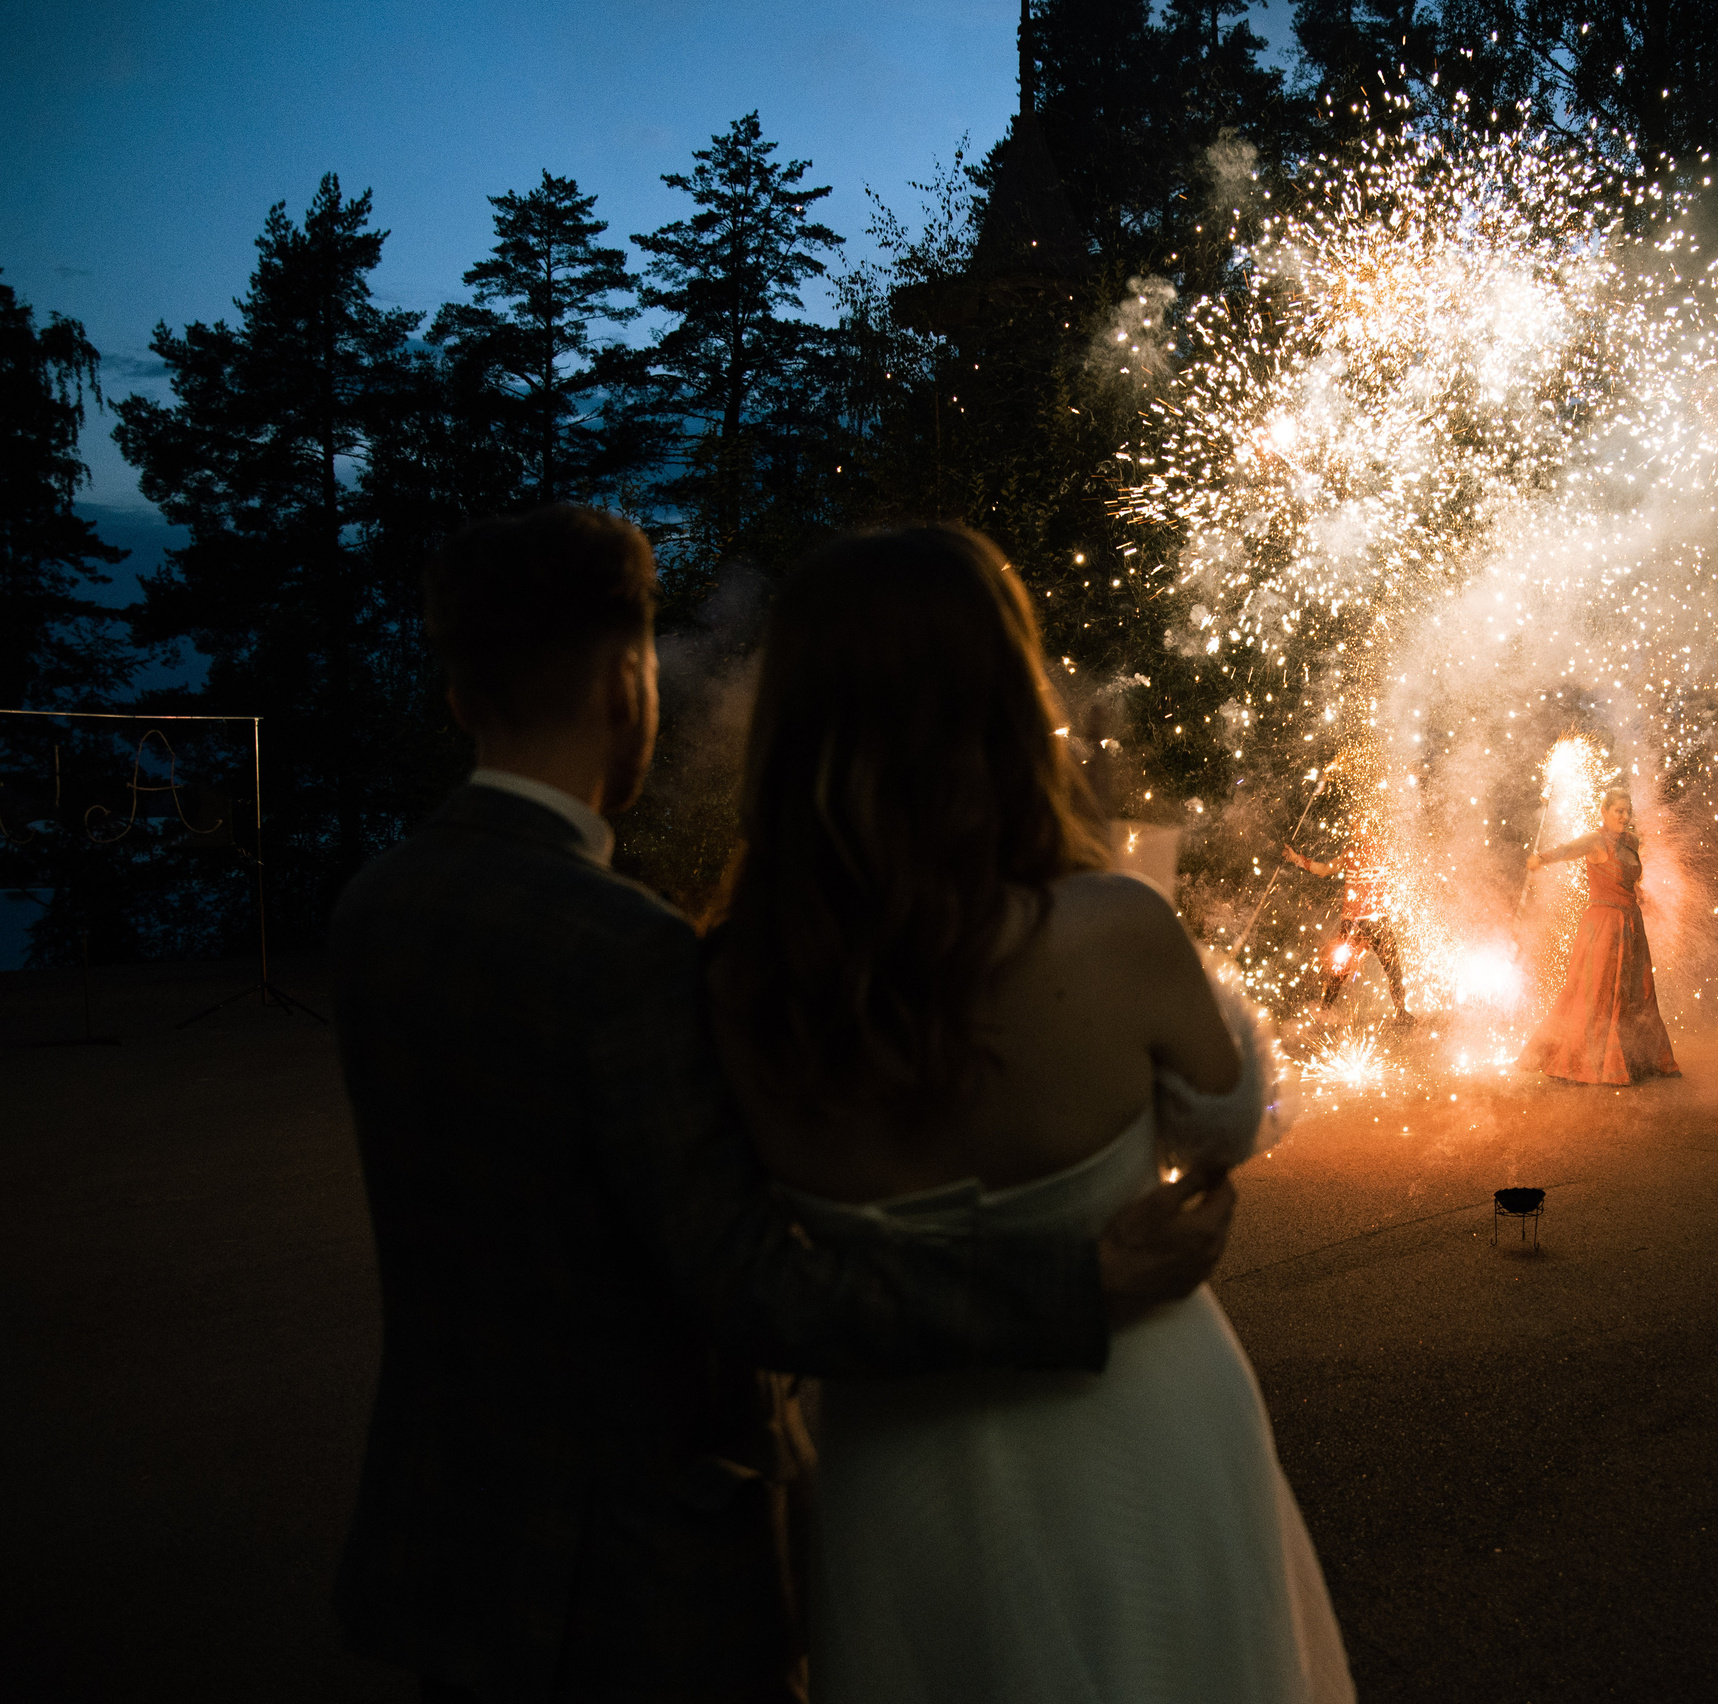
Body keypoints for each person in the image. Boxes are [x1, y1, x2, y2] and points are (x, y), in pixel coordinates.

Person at [330, 503, 1237, 1704]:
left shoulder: (377, 911)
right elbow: (757, 1286)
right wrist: (1078, 1284)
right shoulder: (628, 955)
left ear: (455, 696)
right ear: (627, 683)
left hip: (440, 1546)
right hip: (637, 1574)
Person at [706, 525, 1353, 1704]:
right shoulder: (1113, 928)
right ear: (1006, 703)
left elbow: (745, 1272)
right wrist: (1170, 952)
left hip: (892, 1469)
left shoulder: (732, 987)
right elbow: (1230, 1122)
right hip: (1138, 1426)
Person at [1517, 786, 1681, 1085]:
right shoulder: (1595, 840)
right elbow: (1568, 850)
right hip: (1603, 926)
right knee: (1597, 991)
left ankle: (1636, 1058)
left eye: (1627, 811)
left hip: (1631, 925)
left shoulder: (1632, 841)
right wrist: (1541, 858)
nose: (1624, 816)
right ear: (1604, 812)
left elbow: (1630, 880)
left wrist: (1644, 899)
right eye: (1618, 810)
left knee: (1636, 993)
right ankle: (1583, 1060)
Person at [1280, 833, 1410, 1021]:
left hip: (1374, 921)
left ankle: (1401, 1012)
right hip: (1354, 923)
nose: (1351, 829)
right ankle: (1324, 1011)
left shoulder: (1382, 847)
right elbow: (1324, 869)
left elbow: (1402, 865)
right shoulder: (1349, 853)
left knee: (1391, 969)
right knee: (1340, 967)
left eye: (1355, 824)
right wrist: (1296, 859)